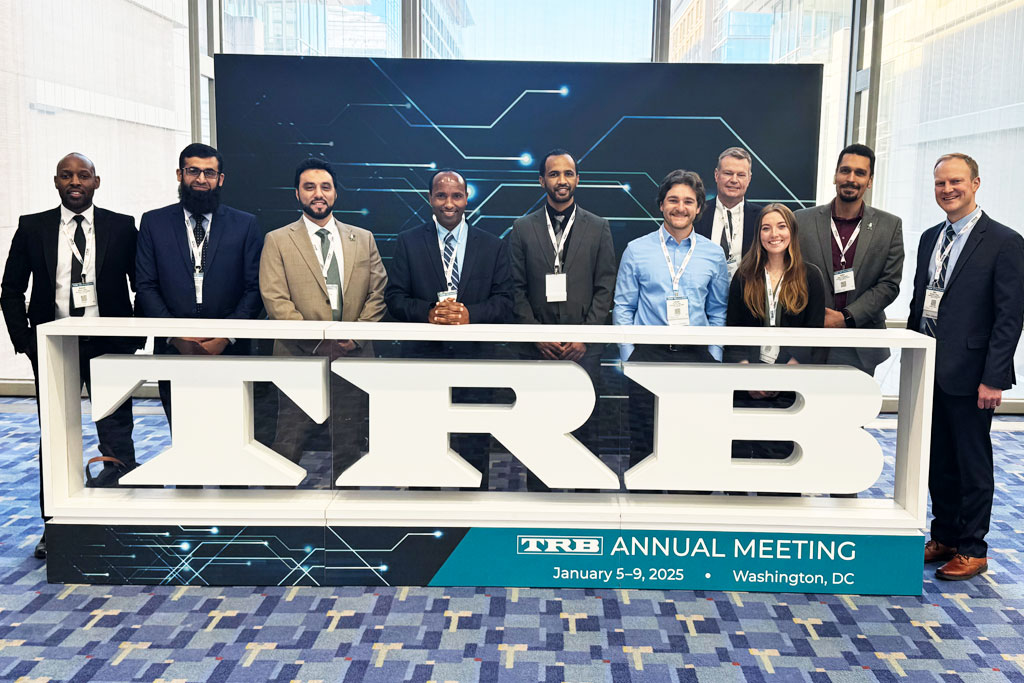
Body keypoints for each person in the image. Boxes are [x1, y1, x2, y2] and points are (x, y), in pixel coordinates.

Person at [0, 153, 142, 559]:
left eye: (83, 175)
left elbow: (140, 283)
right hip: (54, 347)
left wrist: (132, 337)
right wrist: (27, 341)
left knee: (117, 431)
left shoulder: (121, 226)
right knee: (56, 438)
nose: (74, 181)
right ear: (56, 182)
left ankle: (122, 519)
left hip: (108, 344)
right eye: (67, 175)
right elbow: (11, 290)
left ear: (97, 182)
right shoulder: (33, 227)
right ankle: (55, 526)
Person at [910, 153, 1024, 581]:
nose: (947, 190)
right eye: (940, 183)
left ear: (976, 184)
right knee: (938, 460)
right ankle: (946, 536)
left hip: (974, 375)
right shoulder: (930, 238)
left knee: (972, 463)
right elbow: (921, 305)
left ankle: (974, 548)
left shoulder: (1004, 241)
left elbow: (1009, 316)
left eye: (956, 182)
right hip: (931, 369)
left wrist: (994, 377)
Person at [384, 169, 513, 489]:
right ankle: (425, 520)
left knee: (473, 446)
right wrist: (428, 313)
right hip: (423, 362)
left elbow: (506, 302)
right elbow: (394, 298)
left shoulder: (492, 246)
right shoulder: (409, 241)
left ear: (467, 199)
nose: (449, 203)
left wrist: (470, 314)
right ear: (430, 199)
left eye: (456, 196)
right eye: (441, 195)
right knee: (423, 445)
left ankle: (473, 515)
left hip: (475, 362)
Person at [260, 158, 387, 481]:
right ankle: (279, 514)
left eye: (325, 187)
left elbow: (378, 292)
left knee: (350, 444)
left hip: (352, 357)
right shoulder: (277, 240)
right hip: (298, 356)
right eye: (310, 187)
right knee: (287, 443)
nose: (318, 193)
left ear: (335, 194)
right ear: (297, 194)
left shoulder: (363, 238)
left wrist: (352, 338)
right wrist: (318, 341)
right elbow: (275, 299)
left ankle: (349, 513)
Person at [509, 149, 616, 490]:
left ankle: (587, 498)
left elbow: (605, 287)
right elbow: (516, 289)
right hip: (537, 351)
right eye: (554, 174)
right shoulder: (522, 228)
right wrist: (536, 336)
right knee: (539, 429)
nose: (562, 181)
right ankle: (540, 501)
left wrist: (585, 336)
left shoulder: (599, 227)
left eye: (568, 174)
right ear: (541, 181)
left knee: (587, 429)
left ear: (577, 180)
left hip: (584, 351)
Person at [135, 143, 263, 423]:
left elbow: (254, 289)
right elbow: (145, 286)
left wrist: (224, 338)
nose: (201, 179)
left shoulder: (245, 224)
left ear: (221, 179)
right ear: (179, 174)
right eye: (193, 171)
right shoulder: (153, 223)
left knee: (230, 430)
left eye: (209, 173)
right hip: (173, 348)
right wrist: (176, 337)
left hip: (230, 349)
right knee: (182, 431)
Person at [614, 169, 729, 471]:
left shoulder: (713, 254)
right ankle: (642, 512)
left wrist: (713, 355)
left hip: (697, 357)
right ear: (661, 205)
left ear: (699, 208)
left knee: (696, 437)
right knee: (643, 440)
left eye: (688, 202)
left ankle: (692, 508)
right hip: (648, 356)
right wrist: (631, 356)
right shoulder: (636, 251)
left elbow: (718, 310)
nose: (680, 207)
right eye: (673, 200)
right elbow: (623, 307)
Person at [725, 203, 825, 469]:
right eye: (766, 228)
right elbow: (732, 331)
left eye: (781, 226)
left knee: (781, 459)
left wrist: (783, 376)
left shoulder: (810, 276)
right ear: (758, 234)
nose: (774, 234)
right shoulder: (744, 276)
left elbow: (813, 335)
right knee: (741, 458)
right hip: (746, 385)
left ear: (791, 231)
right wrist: (748, 375)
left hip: (791, 385)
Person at [795, 143, 903, 375]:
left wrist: (846, 317)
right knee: (807, 409)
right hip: (809, 339)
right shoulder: (801, 221)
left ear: (870, 180)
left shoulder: (890, 225)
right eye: (845, 170)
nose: (851, 178)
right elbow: (789, 276)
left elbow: (889, 285)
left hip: (861, 340)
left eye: (860, 173)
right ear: (835, 175)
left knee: (857, 411)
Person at [694, 147, 761, 279]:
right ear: (716, 175)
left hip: (746, 296)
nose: (734, 180)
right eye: (728, 173)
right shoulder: (697, 214)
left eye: (741, 175)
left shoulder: (762, 217)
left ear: (749, 178)